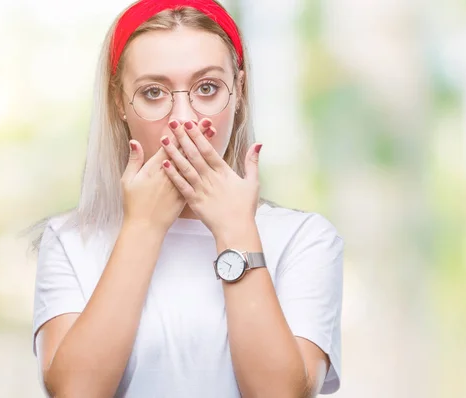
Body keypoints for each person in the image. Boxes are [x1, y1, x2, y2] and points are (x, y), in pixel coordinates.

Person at [31, 0, 344, 396]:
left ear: (240, 91)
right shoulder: (70, 241)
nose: (184, 118)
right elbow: (75, 392)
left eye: (207, 88)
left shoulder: (305, 238)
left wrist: (235, 230)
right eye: (153, 92)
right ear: (119, 104)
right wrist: (143, 227)